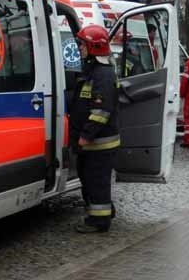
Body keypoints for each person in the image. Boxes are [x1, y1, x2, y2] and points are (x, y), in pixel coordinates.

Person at [69, 25, 120, 233]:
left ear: (93, 47)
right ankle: (104, 211)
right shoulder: (92, 71)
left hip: (99, 143)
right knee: (89, 179)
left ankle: (99, 221)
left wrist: (85, 136)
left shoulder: (103, 74)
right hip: (91, 144)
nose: (80, 48)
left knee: (96, 181)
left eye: (82, 44)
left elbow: (101, 111)